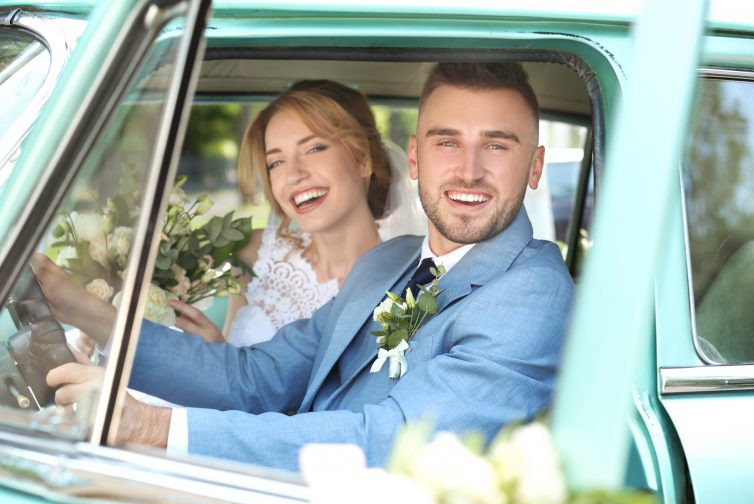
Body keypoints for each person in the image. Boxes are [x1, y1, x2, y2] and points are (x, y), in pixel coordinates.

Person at [43, 61, 574, 472]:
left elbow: (387, 442)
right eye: (447, 141)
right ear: (414, 159)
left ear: (535, 166)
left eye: (497, 146)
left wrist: (153, 426)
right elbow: (251, 377)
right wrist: (76, 305)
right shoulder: (388, 262)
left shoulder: (532, 295)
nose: (469, 169)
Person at [169, 79, 425, 346]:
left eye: (314, 149)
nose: (293, 175)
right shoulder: (254, 254)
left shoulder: (410, 283)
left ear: (362, 159)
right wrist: (214, 351)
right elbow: (233, 377)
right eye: (276, 162)